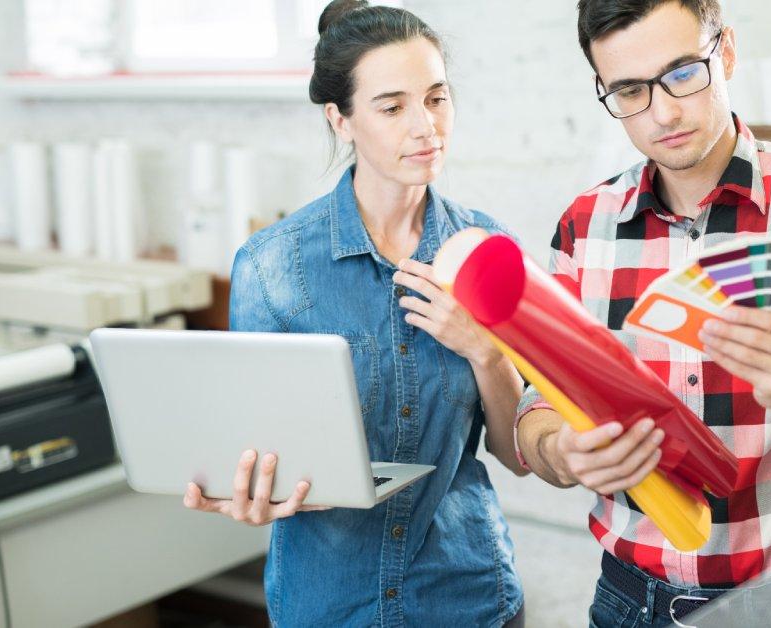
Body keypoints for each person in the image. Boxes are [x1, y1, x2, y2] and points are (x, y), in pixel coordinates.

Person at [512, 1, 771, 626]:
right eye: (630, 90)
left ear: (728, 53)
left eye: (683, 72)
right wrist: (563, 451)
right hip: (630, 599)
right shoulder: (586, 227)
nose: (663, 112)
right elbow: (537, 403)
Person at [183, 1, 526, 625]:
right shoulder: (272, 265)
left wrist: (485, 348)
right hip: (329, 603)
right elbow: (261, 453)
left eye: (437, 99)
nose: (426, 127)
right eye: (392, 107)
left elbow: (514, 450)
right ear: (340, 119)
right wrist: (255, 494)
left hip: (465, 595)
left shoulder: (486, 246)